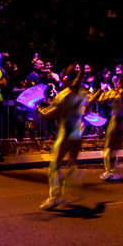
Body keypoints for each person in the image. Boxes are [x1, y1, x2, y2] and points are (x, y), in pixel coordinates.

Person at [40, 65, 89, 210]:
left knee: (54, 165)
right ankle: (66, 194)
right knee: (71, 164)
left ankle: (54, 197)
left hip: (66, 132)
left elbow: (49, 115)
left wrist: (37, 108)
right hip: (78, 131)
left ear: (65, 78)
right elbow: (86, 110)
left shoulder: (63, 95)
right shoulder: (84, 92)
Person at [93, 70, 123, 181]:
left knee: (108, 148)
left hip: (115, 121)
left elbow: (99, 99)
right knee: (115, 149)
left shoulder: (115, 93)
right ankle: (112, 171)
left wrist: (100, 92)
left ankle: (108, 171)